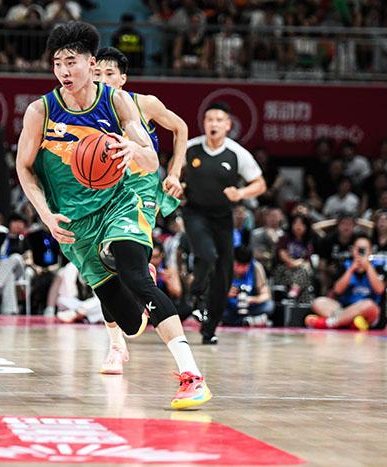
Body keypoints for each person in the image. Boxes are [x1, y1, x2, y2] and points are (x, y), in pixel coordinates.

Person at [16, 21, 210, 409]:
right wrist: (46, 216)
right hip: (74, 224)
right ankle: (125, 295)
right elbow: (24, 168)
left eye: (71, 62)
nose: (64, 71)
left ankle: (192, 376)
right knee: (131, 322)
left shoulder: (117, 101)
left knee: (137, 277)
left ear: (91, 63)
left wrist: (134, 148)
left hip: (119, 203)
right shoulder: (41, 111)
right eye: (57, 63)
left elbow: (150, 159)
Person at [92, 46, 189, 374]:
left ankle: (182, 364)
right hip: (103, 195)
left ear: (122, 78)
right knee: (101, 274)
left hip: (139, 195)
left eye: (109, 74)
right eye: (97, 74)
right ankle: (116, 344)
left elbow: (181, 128)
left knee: (128, 268)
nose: (102, 79)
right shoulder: (83, 111)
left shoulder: (144, 103)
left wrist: (174, 172)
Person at [182, 101, 266, 344]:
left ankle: (209, 330)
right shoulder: (190, 148)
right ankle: (197, 295)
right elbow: (173, 171)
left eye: (219, 120)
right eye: (210, 120)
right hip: (195, 213)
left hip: (222, 217)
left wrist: (240, 193)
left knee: (224, 274)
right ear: (204, 123)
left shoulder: (237, 153)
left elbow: (260, 184)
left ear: (228, 125)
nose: (214, 124)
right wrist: (177, 183)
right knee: (207, 255)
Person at [306, 234, 385, 330]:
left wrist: (368, 267)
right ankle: (351, 322)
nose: (360, 252)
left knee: (369, 305)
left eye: (364, 249)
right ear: (352, 250)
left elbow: (380, 289)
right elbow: (337, 290)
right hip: (345, 308)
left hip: (367, 311)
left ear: (370, 251)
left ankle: (331, 323)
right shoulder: (345, 265)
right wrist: (351, 269)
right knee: (318, 303)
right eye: (358, 249)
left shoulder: (377, 266)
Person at [223, 245, 274, 327]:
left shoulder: (256, 266)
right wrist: (225, 293)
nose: (240, 269)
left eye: (244, 266)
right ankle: (248, 321)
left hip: (249, 307)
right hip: (230, 308)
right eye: (238, 265)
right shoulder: (224, 267)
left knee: (269, 306)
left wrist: (252, 299)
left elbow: (266, 295)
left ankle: (242, 321)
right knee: (218, 311)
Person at [272, 214, 316, 303]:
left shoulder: (308, 243)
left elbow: (308, 263)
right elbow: (282, 255)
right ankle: (294, 294)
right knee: (304, 281)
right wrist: (293, 262)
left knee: (305, 272)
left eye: (301, 224)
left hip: (299, 273)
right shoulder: (285, 238)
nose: (298, 226)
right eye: (296, 223)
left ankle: (295, 297)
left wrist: (299, 263)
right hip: (284, 271)